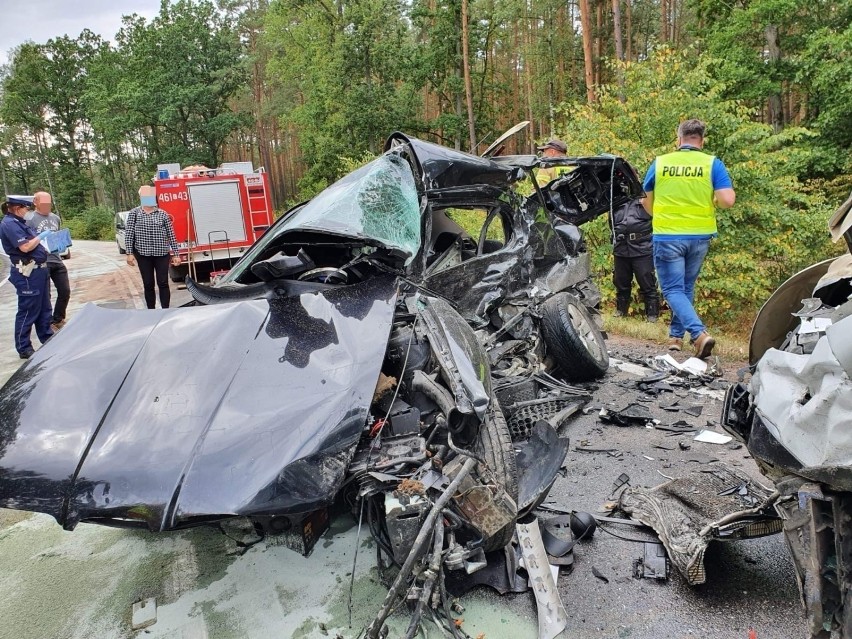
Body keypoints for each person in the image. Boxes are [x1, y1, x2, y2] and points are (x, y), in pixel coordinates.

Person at [642, 119, 736, 358]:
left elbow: (645, 200)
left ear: (679, 138)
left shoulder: (661, 163)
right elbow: (727, 200)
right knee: (685, 287)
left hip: (668, 235)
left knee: (672, 289)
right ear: (701, 140)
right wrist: (713, 200)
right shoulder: (712, 163)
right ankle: (675, 337)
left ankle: (698, 334)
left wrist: (659, 213)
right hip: (700, 236)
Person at [0, 195, 54, 359]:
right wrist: (41, 236)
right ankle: (24, 347)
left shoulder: (20, 223)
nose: (27, 211)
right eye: (26, 208)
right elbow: (25, 247)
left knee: (44, 308)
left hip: (39, 271)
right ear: (17, 208)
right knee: (28, 310)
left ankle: (47, 338)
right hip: (27, 273)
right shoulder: (9, 224)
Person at [124, 185, 181, 309]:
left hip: (161, 254)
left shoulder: (162, 214)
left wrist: (176, 254)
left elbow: (171, 234)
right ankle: (151, 310)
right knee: (148, 283)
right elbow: (129, 233)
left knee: (163, 282)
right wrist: (129, 253)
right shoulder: (135, 213)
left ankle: (165, 309)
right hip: (143, 254)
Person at [26, 191, 70, 331]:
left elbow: (57, 237)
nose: (47, 206)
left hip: (56, 260)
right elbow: (27, 241)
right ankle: (45, 324)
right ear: (35, 202)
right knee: (46, 295)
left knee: (65, 291)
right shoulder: (29, 219)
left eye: (49, 203)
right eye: (44, 203)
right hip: (40, 262)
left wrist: (63, 243)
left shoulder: (55, 218)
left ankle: (57, 319)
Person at [610, 197, 659, 322]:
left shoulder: (646, 197)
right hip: (621, 248)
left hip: (642, 248)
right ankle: (621, 312)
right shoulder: (615, 199)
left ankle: (652, 316)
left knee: (647, 282)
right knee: (621, 282)